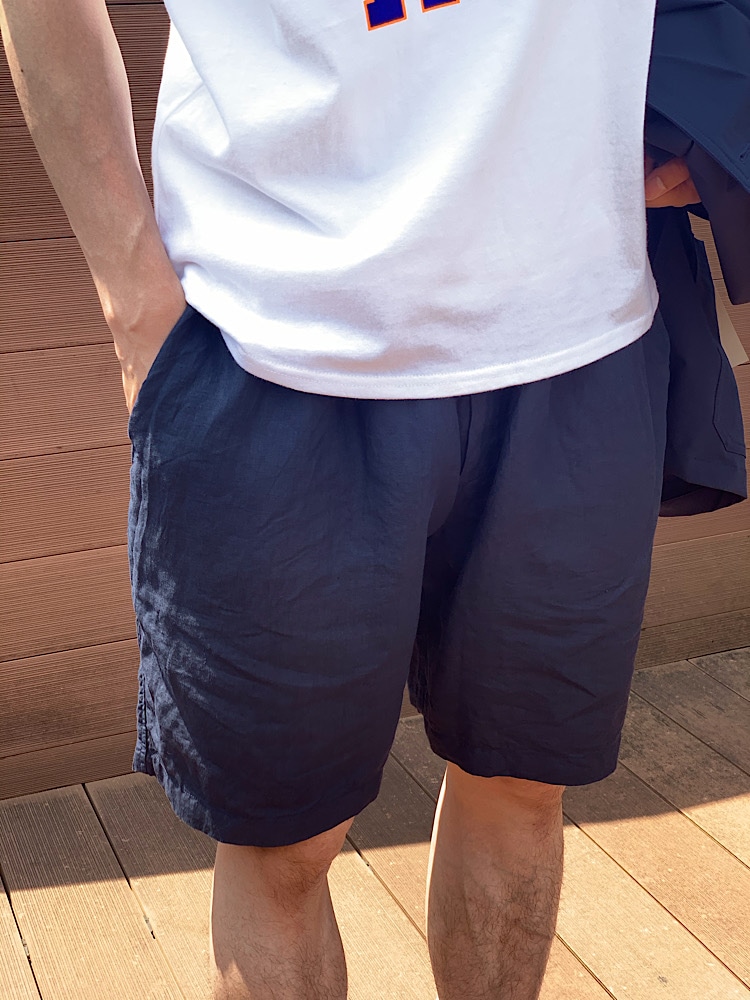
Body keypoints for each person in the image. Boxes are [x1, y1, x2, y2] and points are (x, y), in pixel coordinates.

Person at [0, 2, 699, 997]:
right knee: (284, 844)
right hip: (273, 339)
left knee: (521, 789)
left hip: (577, 328)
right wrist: (133, 296)